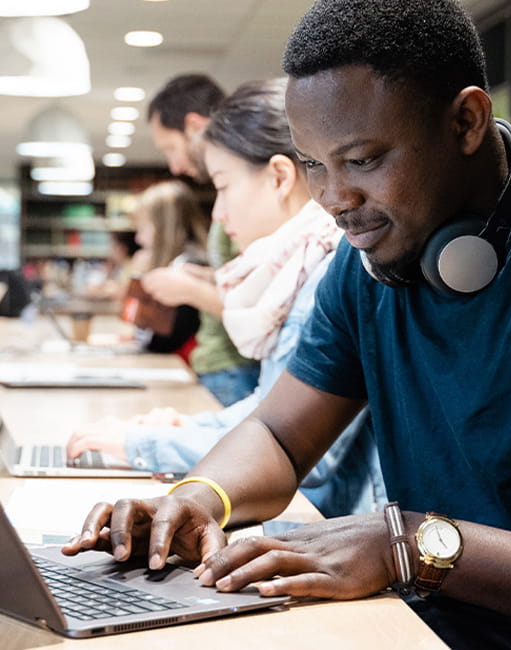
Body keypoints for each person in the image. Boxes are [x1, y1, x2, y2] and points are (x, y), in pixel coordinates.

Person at [63, 1, 511, 647]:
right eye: (314, 163)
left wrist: (408, 546)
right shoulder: (368, 257)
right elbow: (280, 434)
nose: (333, 200)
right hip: (413, 624)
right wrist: (198, 499)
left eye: (363, 160)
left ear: (466, 120)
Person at [67, 78, 386, 518]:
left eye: (223, 185)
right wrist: (191, 428)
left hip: (338, 527)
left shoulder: (327, 271)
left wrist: (145, 444)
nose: (217, 212)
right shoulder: (302, 267)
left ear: (278, 176)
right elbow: (271, 409)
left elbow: (297, 445)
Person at [145, 73, 259, 406]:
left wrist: (191, 291)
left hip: (237, 371)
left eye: (170, 149)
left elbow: (262, 305)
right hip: (226, 369)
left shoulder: (249, 191)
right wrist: (208, 277)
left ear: (195, 127)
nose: (174, 166)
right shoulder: (232, 197)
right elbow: (248, 280)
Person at [126, 179, 208, 357]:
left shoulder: (187, 268)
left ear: (164, 227)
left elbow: (165, 340)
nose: (138, 239)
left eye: (143, 227)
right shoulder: (186, 261)